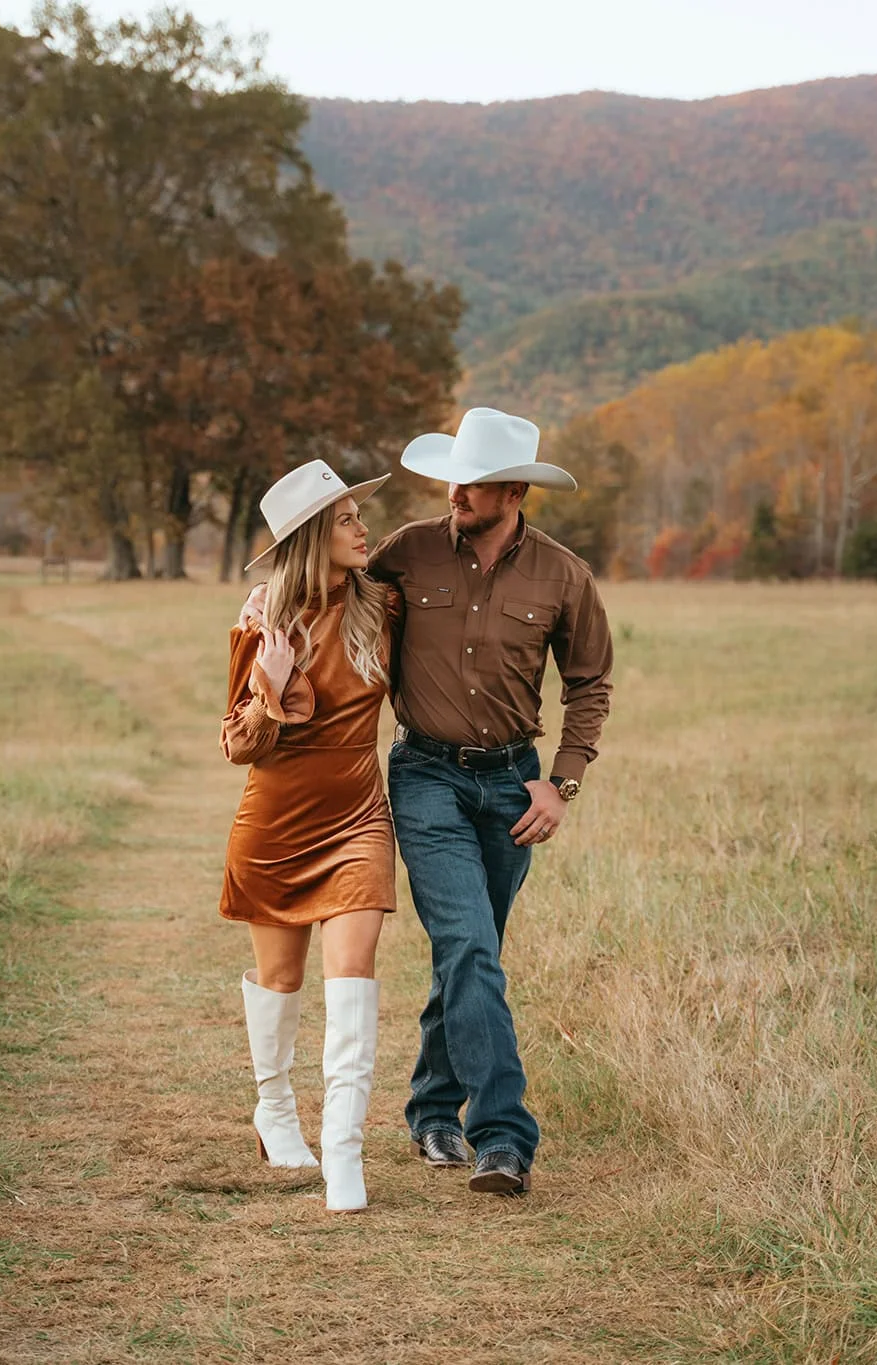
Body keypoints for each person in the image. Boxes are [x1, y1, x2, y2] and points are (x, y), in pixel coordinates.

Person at [244, 407, 614, 1196]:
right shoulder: (407, 550)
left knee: (470, 954)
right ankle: (504, 1136)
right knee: (468, 944)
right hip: (427, 777)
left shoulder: (564, 576)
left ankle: (433, 1105)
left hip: (515, 784)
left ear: (514, 491)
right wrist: (263, 616)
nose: (454, 493)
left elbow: (590, 684)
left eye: (472, 484)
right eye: (452, 478)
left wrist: (563, 781)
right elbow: (326, 582)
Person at [220, 458, 399, 1214]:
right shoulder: (262, 619)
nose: (364, 529)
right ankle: (275, 1111)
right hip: (277, 821)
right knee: (283, 981)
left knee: (352, 972)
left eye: (360, 517)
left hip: (360, 812)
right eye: (347, 520)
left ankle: (346, 1153)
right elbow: (237, 744)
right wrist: (268, 684)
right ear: (311, 537)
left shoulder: (383, 603)